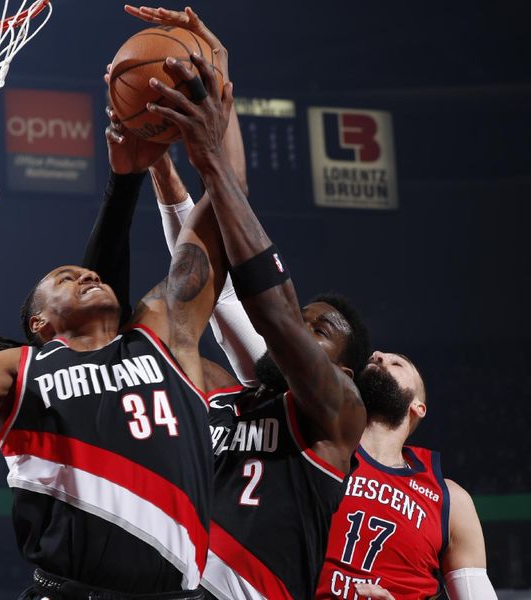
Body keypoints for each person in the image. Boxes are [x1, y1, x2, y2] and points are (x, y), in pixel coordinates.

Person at [0, 109, 229, 597]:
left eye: (89, 274)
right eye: (65, 278)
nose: (87, 275)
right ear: (41, 324)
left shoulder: (163, 338)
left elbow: (223, 215)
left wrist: (207, 131)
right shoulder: (23, 370)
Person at [110, 7, 371, 599]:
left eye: (319, 330)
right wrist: (215, 90)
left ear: (345, 374)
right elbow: (208, 273)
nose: (301, 325)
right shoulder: (220, 390)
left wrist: (207, 155)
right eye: (306, 316)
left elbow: (269, 311)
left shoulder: (339, 419)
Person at [315, 351, 499, 600]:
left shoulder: (451, 501)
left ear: (418, 407)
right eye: (374, 358)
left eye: (397, 362)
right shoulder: (314, 455)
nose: (377, 355)